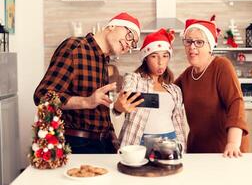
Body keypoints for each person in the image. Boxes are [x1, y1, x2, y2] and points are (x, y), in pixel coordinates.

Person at [34, 12, 142, 154]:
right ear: (112, 26)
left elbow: (99, 112)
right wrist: (86, 101)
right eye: (129, 35)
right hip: (78, 144)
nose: (129, 44)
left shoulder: (103, 60)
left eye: (133, 44)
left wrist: (112, 138)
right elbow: (42, 96)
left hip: (103, 143)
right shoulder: (75, 47)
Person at [175, 19, 249, 157]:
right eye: (188, 41)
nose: (192, 47)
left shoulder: (221, 66)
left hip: (225, 150)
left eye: (199, 42)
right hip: (197, 150)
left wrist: (232, 142)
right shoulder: (187, 74)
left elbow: (236, 103)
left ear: (210, 46)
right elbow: (168, 95)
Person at [113, 28, 187, 150]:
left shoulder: (175, 90)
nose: (160, 62)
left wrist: (182, 151)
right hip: (140, 142)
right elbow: (126, 95)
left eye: (165, 56)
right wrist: (118, 107)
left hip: (170, 142)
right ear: (145, 58)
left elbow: (179, 124)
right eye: (154, 56)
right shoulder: (134, 79)